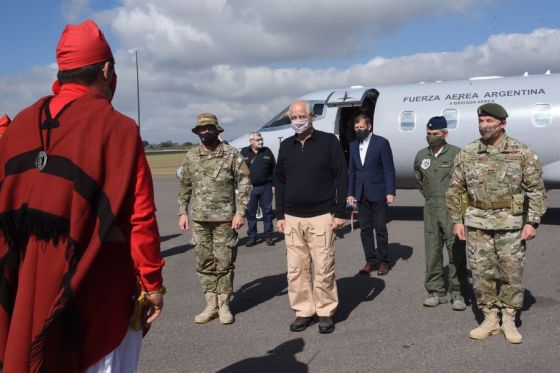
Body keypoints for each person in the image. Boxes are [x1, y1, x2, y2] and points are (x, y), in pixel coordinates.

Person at [0, 20, 165, 372]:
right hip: (96, 293)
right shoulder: (117, 127)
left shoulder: (18, 127)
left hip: (29, 290)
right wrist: (152, 284)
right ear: (107, 70)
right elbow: (140, 218)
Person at [446, 103, 547, 344]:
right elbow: (455, 189)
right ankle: (490, 318)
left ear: (502, 124)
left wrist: (532, 222)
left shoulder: (521, 152)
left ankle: (509, 318)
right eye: (481, 122)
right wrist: (457, 220)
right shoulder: (468, 153)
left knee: (512, 273)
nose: (484, 126)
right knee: (481, 274)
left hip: (510, 224)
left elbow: (536, 190)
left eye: (489, 122)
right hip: (477, 223)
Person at [274, 99, 347, 334]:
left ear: (311, 117)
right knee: (296, 269)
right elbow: (280, 181)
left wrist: (339, 211)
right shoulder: (286, 146)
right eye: (293, 117)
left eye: (300, 116)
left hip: (322, 215)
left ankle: (325, 311)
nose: (297, 121)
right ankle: (303, 311)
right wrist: (280, 215)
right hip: (292, 217)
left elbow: (342, 176)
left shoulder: (328, 142)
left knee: (324, 266)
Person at [178, 113, 251, 325]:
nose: (205, 132)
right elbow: (185, 185)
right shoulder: (191, 156)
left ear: (217, 130)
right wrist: (183, 211)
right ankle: (210, 303)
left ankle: (224, 303)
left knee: (224, 262)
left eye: (209, 128)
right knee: (204, 262)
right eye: (201, 129)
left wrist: (240, 212)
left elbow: (245, 183)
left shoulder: (231, 154)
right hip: (200, 219)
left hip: (225, 220)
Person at [414, 116, 467, 310]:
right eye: (428, 134)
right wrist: (431, 198)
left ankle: (458, 292)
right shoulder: (421, 156)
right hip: (431, 209)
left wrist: (461, 211)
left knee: (456, 251)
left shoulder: (457, 154)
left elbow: (465, 184)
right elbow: (420, 181)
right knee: (432, 252)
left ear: (445, 134)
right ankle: (436, 291)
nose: (431, 137)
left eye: (435, 134)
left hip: (452, 210)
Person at [347, 114, 396, 276]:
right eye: (356, 128)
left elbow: (388, 169)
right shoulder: (353, 145)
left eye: (361, 127)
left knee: (380, 228)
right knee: (365, 229)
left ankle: (383, 261)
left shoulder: (381, 143)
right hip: (361, 194)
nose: (359, 131)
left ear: (369, 127)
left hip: (378, 192)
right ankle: (370, 260)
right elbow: (352, 171)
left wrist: (390, 191)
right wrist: (350, 193)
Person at [240, 131, 276, 247]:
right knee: (250, 213)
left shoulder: (267, 151)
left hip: (266, 186)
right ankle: (252, 236)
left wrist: (274, 185)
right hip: (250, 188)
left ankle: (269, 235)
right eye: (258, 140)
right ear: (251, 141)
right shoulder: (244, 152)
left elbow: (274, 169)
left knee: (267, 212)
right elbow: (240, 170)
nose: (261, 141)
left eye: (261, 139)